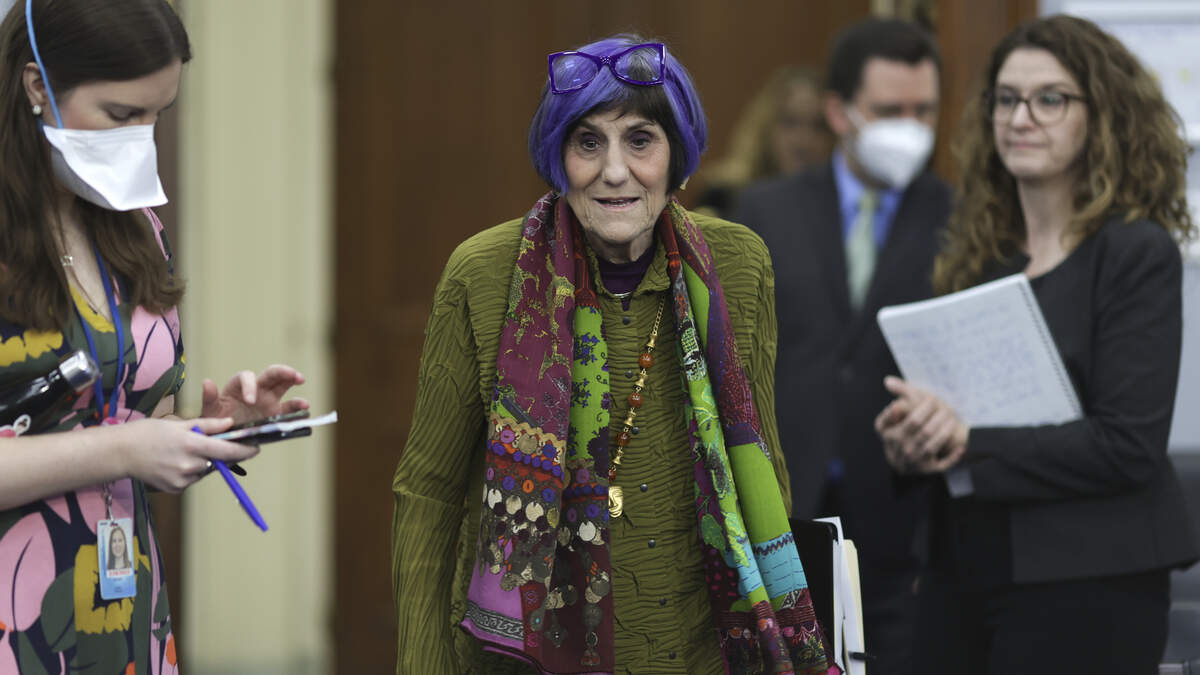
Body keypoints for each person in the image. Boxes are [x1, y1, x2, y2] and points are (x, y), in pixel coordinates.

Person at [392, 34, 832, 675]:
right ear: (558, 156)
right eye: (588, 142)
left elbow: (761, 464)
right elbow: (427, 494)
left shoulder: (738, 264)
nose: (615, 171)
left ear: (677, 154)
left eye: (640, 140)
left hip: (702, 653)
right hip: (529, 658)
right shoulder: (481, 273)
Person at [875, 15, 1200, 674]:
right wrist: (912, 443)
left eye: (1050, 99)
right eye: (1007, 99)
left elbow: (1127, 444)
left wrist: (965, 437)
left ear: (1101, 117)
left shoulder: (1134, 251)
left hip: (1090, 579)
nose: (1021, 118)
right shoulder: (977, 255)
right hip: (960, 568)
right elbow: (952, 421)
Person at [0, 2, 308, 673]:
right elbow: (119, 442)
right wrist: (125, 448)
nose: (140, 141)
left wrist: (206, 430)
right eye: (120, 114)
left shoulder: (133, 224)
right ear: (36, 84)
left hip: (127, 619)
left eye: (156, 116)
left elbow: (137, 425)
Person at [732, 18, 947, 675]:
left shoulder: (960, 217)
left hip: (904, 518)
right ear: (839, 112)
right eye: (888, 111)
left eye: (924, 110)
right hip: (785, 511)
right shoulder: (765, 211)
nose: (909, 127)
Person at [694, 66, 832, 217]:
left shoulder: (836, 205)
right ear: (765, 128)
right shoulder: (724, 198)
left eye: (819, 126)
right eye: (790, 122)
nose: (804, 141)